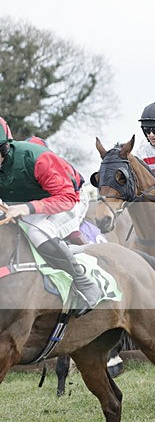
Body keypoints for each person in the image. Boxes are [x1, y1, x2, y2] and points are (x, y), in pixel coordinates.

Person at [0, 127, 102, 315]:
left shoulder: (37, 158)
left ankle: (85, 283)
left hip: (70, 199)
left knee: (37, 230)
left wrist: (27, 208)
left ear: (3, 149)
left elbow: (66, 198)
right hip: (31, 203)